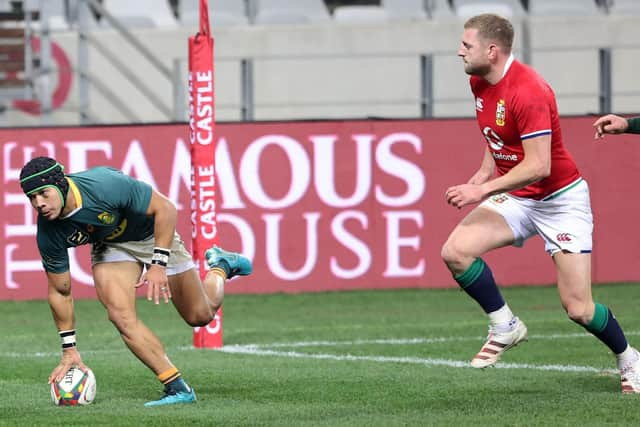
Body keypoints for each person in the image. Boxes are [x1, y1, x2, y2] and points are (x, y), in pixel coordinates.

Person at [441, 13, 640, 393]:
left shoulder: (529, 90)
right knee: (455, 252)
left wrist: (481, 191)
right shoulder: (478, 81)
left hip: (560, 200)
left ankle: (629, 358)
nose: (459, 51)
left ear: (492, 50)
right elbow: (496, 135)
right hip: (517, 195)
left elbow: (539, 165)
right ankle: (506, 324)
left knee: (578, 308)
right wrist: (483, 175)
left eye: (466, 45)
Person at [19, 156, 252, 406]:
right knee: (120, 315)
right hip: (111, 246)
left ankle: (220, 267)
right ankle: (177, 388)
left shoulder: (104, 185)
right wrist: (69, 349)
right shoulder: (48, 231)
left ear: (61, 184)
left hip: (153, 235)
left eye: (44, 193)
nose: (39, 203)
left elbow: (166, 208)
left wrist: (158, 263)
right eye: (32, 198)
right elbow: (60, 291)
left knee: (200, 316)